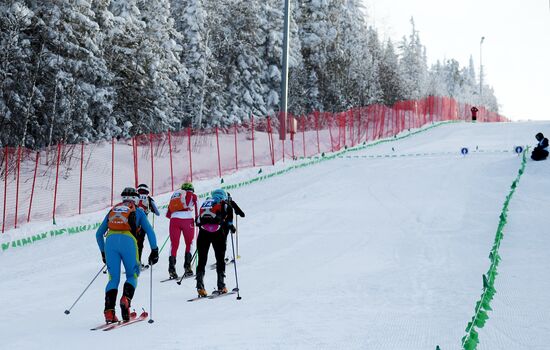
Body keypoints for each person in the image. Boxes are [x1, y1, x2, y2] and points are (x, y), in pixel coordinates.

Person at [95, 187, 159, 323]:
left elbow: (99, 234)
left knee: (113, 279)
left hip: (110, 242)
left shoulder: (113, 210)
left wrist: (103, 252)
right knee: (132, 275)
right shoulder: (139, 211)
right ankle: (126, 299)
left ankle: (109, 312)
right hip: (129, 242)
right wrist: (154, 250)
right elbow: (150, 232)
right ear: (136, 198)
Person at [195, 189, 245, 297]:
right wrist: (231, 227)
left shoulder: (206, 203)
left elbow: (197, 221)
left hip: (203, 233)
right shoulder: (224, 203)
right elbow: (230, 218)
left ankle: (200, 286)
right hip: (218, 233)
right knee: (220, 259)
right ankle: (221, 285)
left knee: (202, 260)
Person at [166, 182, 198, 279]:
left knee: (174, 244)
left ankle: (171, 269)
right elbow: (197, 207)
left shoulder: (175, 195)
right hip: (187, 219)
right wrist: (197, 218)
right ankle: (187, 267)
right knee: (189, 243)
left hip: (174, 220)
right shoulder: (193, 195)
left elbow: (168, 214)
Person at [136, 183, 160, 269]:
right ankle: (137, 263)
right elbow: (157, 213)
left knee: (132, 242)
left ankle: (132, 262)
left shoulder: (135, 198)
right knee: (140, 243)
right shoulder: (149, 199)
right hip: (143, 223)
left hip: (132, 223)